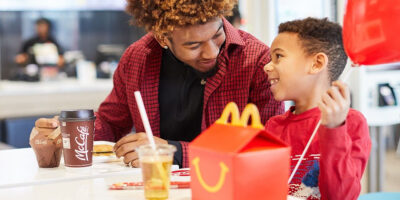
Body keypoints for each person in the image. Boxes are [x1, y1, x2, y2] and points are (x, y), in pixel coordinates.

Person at [35, 0, 283, 168]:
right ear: (163, 38)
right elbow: (111, 122)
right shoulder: (137, 58)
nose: (211, 52)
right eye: (193, 45)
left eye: (217, 34)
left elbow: (264, 147)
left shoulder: (257, 61)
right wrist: (66, 131)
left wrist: (171, 152)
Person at [263, 17, 371, 199]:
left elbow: (341, 196)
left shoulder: (351, 122)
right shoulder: (273, 126)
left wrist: (334, 129)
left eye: (278, 56)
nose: (267, 66)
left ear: (317, 64)